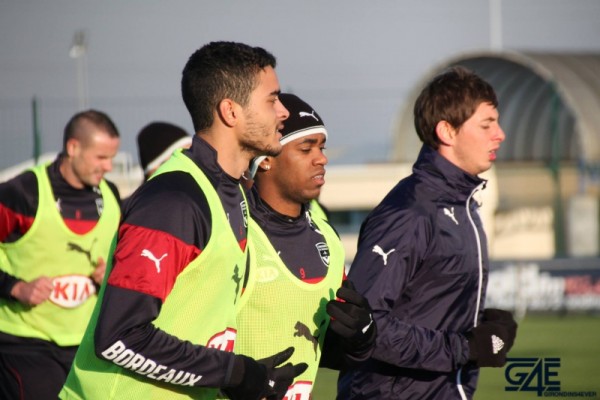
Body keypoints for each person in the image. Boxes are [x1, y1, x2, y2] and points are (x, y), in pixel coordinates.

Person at [60, 41, 307, 400]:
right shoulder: (174, 200)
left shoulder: (232, 193)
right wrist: (233, 373)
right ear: (231, 111)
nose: (283, 111)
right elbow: (119, 337)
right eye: (272, 99)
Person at [338, 66, 517, 399]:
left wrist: (479, 322)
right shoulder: (410, 211)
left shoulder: (464, 205)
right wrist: (465, 347)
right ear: (447, 132)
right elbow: (365, 326)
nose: (500, 134)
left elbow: (426, 304)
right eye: (487, 124)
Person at [235, 93, 376, 399]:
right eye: (306, 148)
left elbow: (326, 351)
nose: (321, 158)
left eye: (322, 147)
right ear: (267, 158)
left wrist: (361, 336)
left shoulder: (326, 236)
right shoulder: (232, 230)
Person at [0, 109, 122, 400]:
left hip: (87, 344)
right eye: (101, 157)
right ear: (73, 147)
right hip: (25, 344)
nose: (108, 167)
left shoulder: (112, 195)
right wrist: (15, 287)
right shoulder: (22, 194)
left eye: (112, 158)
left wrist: (111, 272)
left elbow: (124, 260)